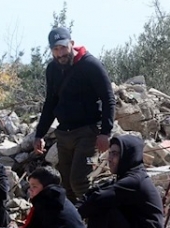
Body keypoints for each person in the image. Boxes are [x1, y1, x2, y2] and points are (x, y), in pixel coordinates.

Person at [33, 27, 116, 203]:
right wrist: (39, 134)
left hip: (87, 132)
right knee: (66, 186)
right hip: (64, 134)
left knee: (80, 181)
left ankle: (93, 222)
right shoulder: (52, 69)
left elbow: (108, 98)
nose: (60, 53)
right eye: (55, 49)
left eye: (63, 47)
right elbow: (50, 103)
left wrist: (105, 132)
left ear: (71, 44)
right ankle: (73, 226)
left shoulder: (90, 65)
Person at [78, 135, 166, 228]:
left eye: (115, 154)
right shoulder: (126, 178)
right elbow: (94, 192)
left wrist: (74, 217)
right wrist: (74, 211)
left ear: (128, 156)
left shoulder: (134, 182)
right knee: (101, 201)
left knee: (103, 206)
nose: (109, 159)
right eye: (110, 153)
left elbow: (98, 200)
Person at [3, 166, 88, 228]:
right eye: (30, 186)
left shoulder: (44, 202)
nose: (30, 190)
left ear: (46, 187)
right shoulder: (61, 200)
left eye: (34, 186)